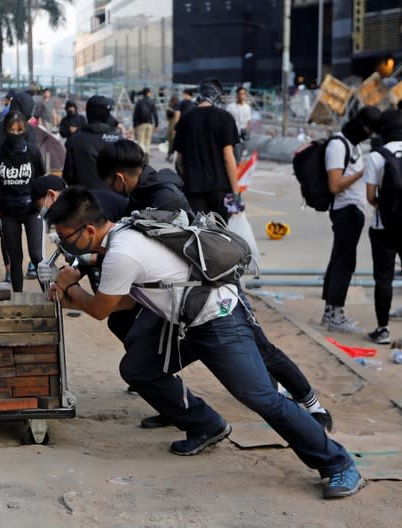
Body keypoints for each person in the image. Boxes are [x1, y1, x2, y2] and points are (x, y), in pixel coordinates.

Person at [44, 187, 364, 499]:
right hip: (186, 319)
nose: (65, 245)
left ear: (88, 229)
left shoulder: (121, 252)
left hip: (218, 318)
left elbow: (101, 310)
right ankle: (206, 424)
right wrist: (73, 297)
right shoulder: (125, 229)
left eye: (67, 238)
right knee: (139, 368)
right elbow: (124, 301)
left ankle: (338, 462)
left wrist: (70, 287)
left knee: (261, 397)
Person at [94, 139, 334, 431]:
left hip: (214, 285)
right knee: (131, 333)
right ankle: (173, 402)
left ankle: (313, 405)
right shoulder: (143, 191)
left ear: (118, 177)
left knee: (261, 348)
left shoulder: (162, 198)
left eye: (109, 183)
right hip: (179, 293)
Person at [320, 106, 381, 333]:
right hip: (344, 210)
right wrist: (362, 172)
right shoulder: (338, 145)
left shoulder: (353, 144)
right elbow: (334, 185)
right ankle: (336, 313)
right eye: (367, 127)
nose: (368, 132)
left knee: (339, 259)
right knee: (345, 263)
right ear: (359, 123)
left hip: (354, 210)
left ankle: (330, 312)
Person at [0, 111, 45, 292]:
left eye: (19, 130)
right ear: (5, 130)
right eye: (11, 130)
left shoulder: (33, 151)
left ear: (25, 130)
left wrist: (43, 207)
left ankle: (47, 292)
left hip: (32, 210)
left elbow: (40, 179)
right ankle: (18, 295)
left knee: (36, 255)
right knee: (15, 258)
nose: (15, 134)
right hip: (8, 212)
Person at [173, 78, 240, 219]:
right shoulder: (225, 118)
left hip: (193, 188)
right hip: (221, 189)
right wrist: (236, 195)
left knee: (198, 233)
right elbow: (228, 158)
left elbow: (179, 161)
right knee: (223, 233)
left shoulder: (186, 119)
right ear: (218, 96)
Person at [363, 108, 402, 344]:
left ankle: (383, 329)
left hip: (383, 227)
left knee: (383, 278)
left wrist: (386, 207)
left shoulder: (377, 156)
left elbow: (370, 196)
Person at [62, 95, 121, 189]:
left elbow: (68, 176)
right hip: (113, 197)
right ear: (107, 115)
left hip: (83, 198)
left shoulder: (75, 139)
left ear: (87, 113)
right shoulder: (118, 139)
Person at [131, 88, 159, 160]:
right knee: (148, 140)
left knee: (141, 140)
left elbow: (135, 114)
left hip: (140, 124)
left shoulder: (139, 102)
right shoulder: (152, 102)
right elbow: (155, 114)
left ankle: (143, 154)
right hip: (149, 123)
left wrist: (134, 125)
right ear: (148, 93)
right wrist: (156, 125)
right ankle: (147, 154)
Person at [226, 87, 252, 162]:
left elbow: (248, 121)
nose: (241, 96)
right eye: (240, 94)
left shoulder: (247, 107)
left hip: (243, 135)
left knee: (242, 155)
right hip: (233, 135)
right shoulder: (230, 107)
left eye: (243, 94)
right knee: (235, 155)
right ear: (237, 95)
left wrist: (247, 132)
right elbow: (227, 120)